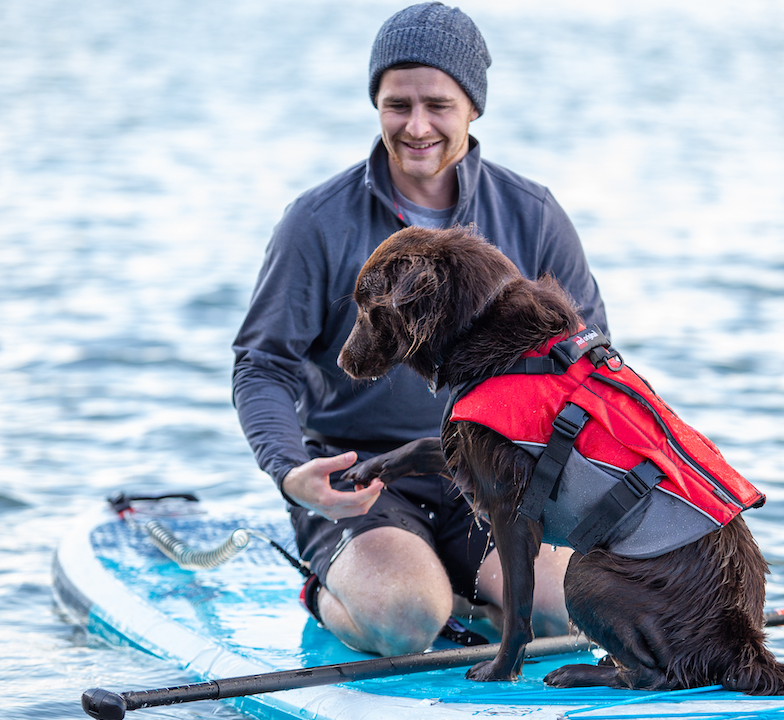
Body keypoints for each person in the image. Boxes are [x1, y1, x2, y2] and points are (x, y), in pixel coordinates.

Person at [231, 1, 608, 657]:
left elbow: (588, 362)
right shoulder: (316, 222)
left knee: (572, 608)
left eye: (438, 104)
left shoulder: (533, 215)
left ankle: (468, 604)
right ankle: (334, 593)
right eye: (396, 104)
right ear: (376, 105)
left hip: (494, 475)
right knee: (404, 619)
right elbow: (262, 365)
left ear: (473, 108)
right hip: (362, 479)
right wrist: (292, 472)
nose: (416, 125)